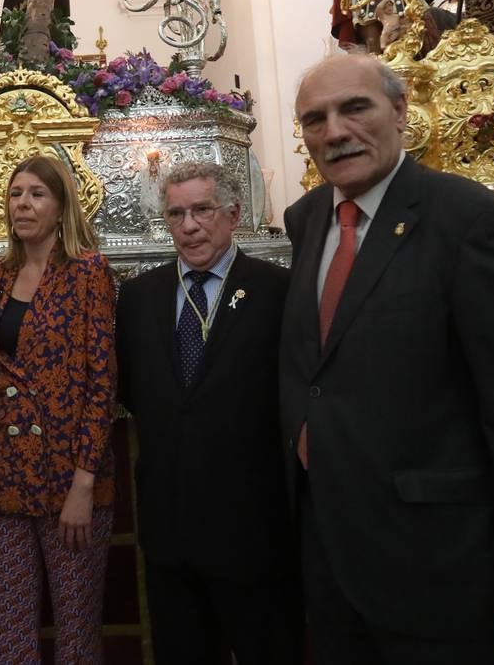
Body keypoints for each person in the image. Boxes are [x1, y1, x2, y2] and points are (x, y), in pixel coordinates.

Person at [281, 54, 494, 665]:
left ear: (400, 112)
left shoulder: (477, 224)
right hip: (331, 558)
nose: (335, 131)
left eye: (355, 108)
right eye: (315, 119)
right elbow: (317, 369)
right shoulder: (308, 219)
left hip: (438, 571)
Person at [116, 161, 299, 665]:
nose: (189, 225)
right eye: (176, 214)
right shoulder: (137, 297)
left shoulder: (277, 291)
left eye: (202, 210)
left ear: (234, 214)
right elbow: (135, 387)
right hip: (170, 522)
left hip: (253, 524)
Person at [0, 155, 116, 663]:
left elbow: (102, 383)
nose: (23, 204)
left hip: (68, 480)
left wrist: (83, 483)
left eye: (37, 193)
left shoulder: (88, 273)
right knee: (11, 624)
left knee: (76, 627)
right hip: (5, 475)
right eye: (15, 194)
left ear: (61, 208)